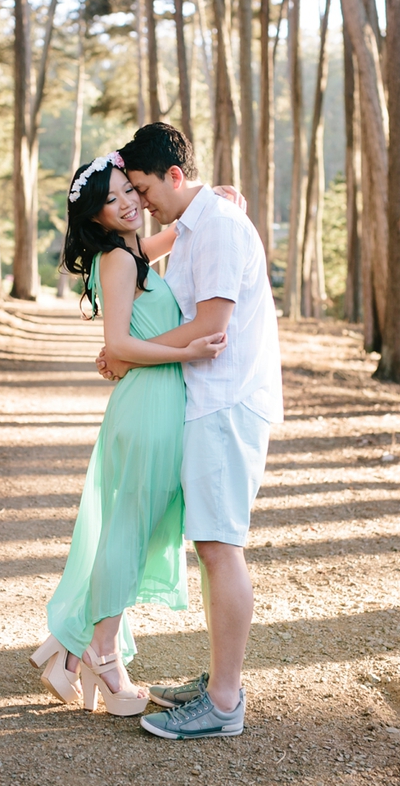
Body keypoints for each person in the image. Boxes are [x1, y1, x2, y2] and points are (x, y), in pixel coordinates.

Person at [97, 123, 283, 740]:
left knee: (220, 546)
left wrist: (129, 351)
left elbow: (211, 323)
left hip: (228, 404)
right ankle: (218, 682)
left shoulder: (221, 229)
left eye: (145, 189)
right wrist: (125, 348)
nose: (142, 202)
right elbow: (160, 297)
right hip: (205, 402)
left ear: (175, 177)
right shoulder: (202, 225)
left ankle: (225, 704)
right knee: (210, 545)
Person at [29, 150, 227, 718]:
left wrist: (214, 194)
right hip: (148, 408)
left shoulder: (134, 251)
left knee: (130, 533)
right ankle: (99, 655)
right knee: (129, 536)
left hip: (156, 403)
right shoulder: (117, 261)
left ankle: (70, 646)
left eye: (127, 191)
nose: (127, 205)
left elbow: (177, 233)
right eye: (111, 202)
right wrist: (185, 348)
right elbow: (118, 346)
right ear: (95, 219)